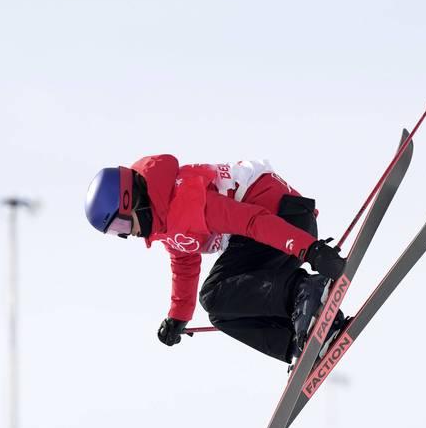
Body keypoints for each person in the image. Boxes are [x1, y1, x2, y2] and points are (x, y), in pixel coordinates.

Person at [85, 155, 348, 363]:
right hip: (269, 236)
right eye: (117, 233)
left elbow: (252, 221)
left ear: (130, 200)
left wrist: (309, 249)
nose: (127, 235)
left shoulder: (186, 199)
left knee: (215, 295)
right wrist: (178, 317)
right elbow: (184, 262)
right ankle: (304, 336)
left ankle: (306, 291)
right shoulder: (163, 219)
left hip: (282, 220)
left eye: (121, 225)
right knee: (223, 312)